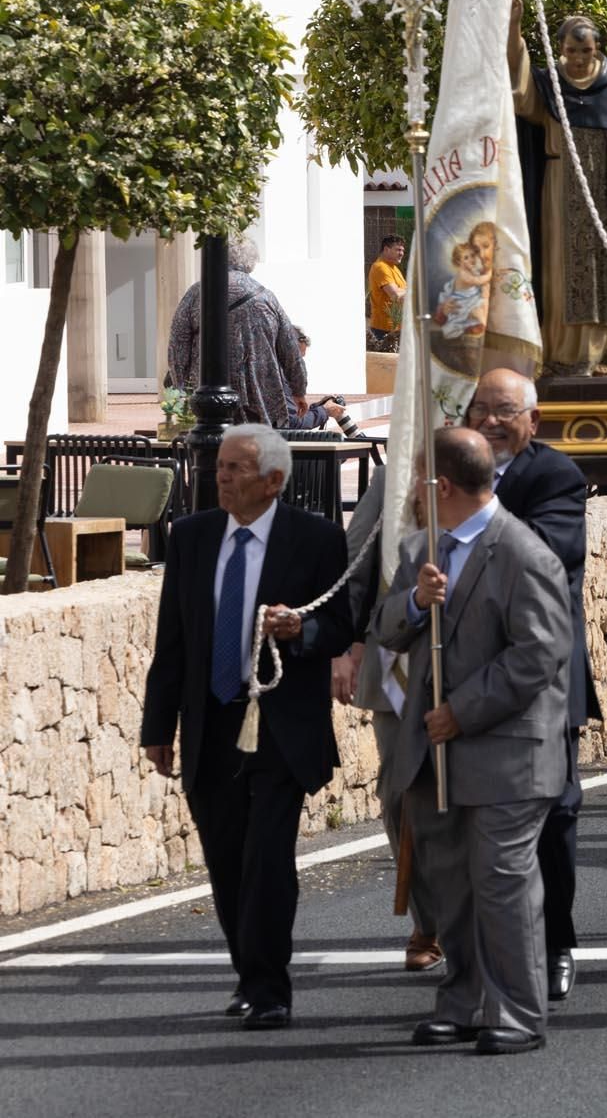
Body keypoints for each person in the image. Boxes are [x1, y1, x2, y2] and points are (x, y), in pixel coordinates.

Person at [140, 425, 353, 1031]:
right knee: (226, 856)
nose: (220, 477)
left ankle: (269, 986)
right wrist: (159, 725)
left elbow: (340, 625)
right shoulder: (192, 537)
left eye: (235, 468)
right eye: (221, 467)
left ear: (273, 481)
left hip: (281, 723)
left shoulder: (315, 540)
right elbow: (172, 638)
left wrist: (300, 632)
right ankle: (248, 972)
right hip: (211, 721)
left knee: (267, 856)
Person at [375, 428, 573, 1055]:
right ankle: (462, 1002)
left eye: (417, 479)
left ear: (442, 486)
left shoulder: (522, 553)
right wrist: (414, 602)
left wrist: (462, 710)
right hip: (435, 758)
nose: (409, 490)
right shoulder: (421, 551)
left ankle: (517, 1014)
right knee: (449, 886)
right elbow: (385, 627)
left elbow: (540, 652)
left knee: (501, 883)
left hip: (507, 754)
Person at [463, 368, 593, 1004]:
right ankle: (476, 953)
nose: (489, 420)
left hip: (542, 677)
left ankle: (556, 942)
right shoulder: (441, 476)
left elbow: (544, 558)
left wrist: (468, 520)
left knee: (555, 819)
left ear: (532, 422)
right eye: (479, 408)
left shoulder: (555, 478)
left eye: (504, 410)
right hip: (461, 675)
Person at [510, 2, 607, 374]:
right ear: (559, 49)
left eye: (586, 51)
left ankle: (605, 353)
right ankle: (560, 355)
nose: (578, 59)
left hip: (606, 194)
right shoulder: (549, 85)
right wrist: (513, 29)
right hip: (558, 190)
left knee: (601, 273)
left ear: (598, 49)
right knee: (559, 273)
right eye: (571, 51)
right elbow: (520, 94)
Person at [331, 474, 441, 971]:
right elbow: (358, 556)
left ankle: (478, 919)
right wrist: (345, 644)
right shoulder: (397, 467)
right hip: (396, 653)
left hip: (481, 661)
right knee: (400, 794)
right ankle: (429, 919)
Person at [165, 237, 310, 427]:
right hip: (259, 389)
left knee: (209, 442)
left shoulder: (196, 293)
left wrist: (180, 386)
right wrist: (299, 390)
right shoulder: (266, 297)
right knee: (256, 445)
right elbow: (289, 348)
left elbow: (178, 343)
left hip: (207, 387)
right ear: (251, 262)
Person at [368, 235, 408, 349]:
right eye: (398, 250)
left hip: (397, 328)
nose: (401, 253)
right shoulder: (380, 267)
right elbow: (395, 295)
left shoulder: (394, 268)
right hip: (383, 330)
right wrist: (411, 290)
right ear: (386, 249)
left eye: (402, 250)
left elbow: (403, 293)